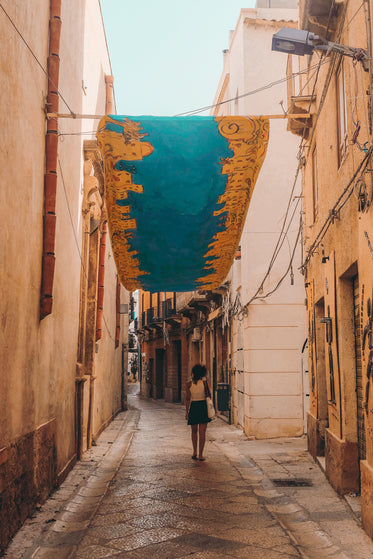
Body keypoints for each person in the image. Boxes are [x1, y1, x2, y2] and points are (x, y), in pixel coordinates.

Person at [185, 364, 212, 461]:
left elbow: (187, 399)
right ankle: (200, 454)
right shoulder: (205, 383)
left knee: (193, 432)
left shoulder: (188, 384)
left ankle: (194, 452)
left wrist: (187, 412)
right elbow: (210, 395)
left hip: (194, 407)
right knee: (202, 433)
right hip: (203, 407)